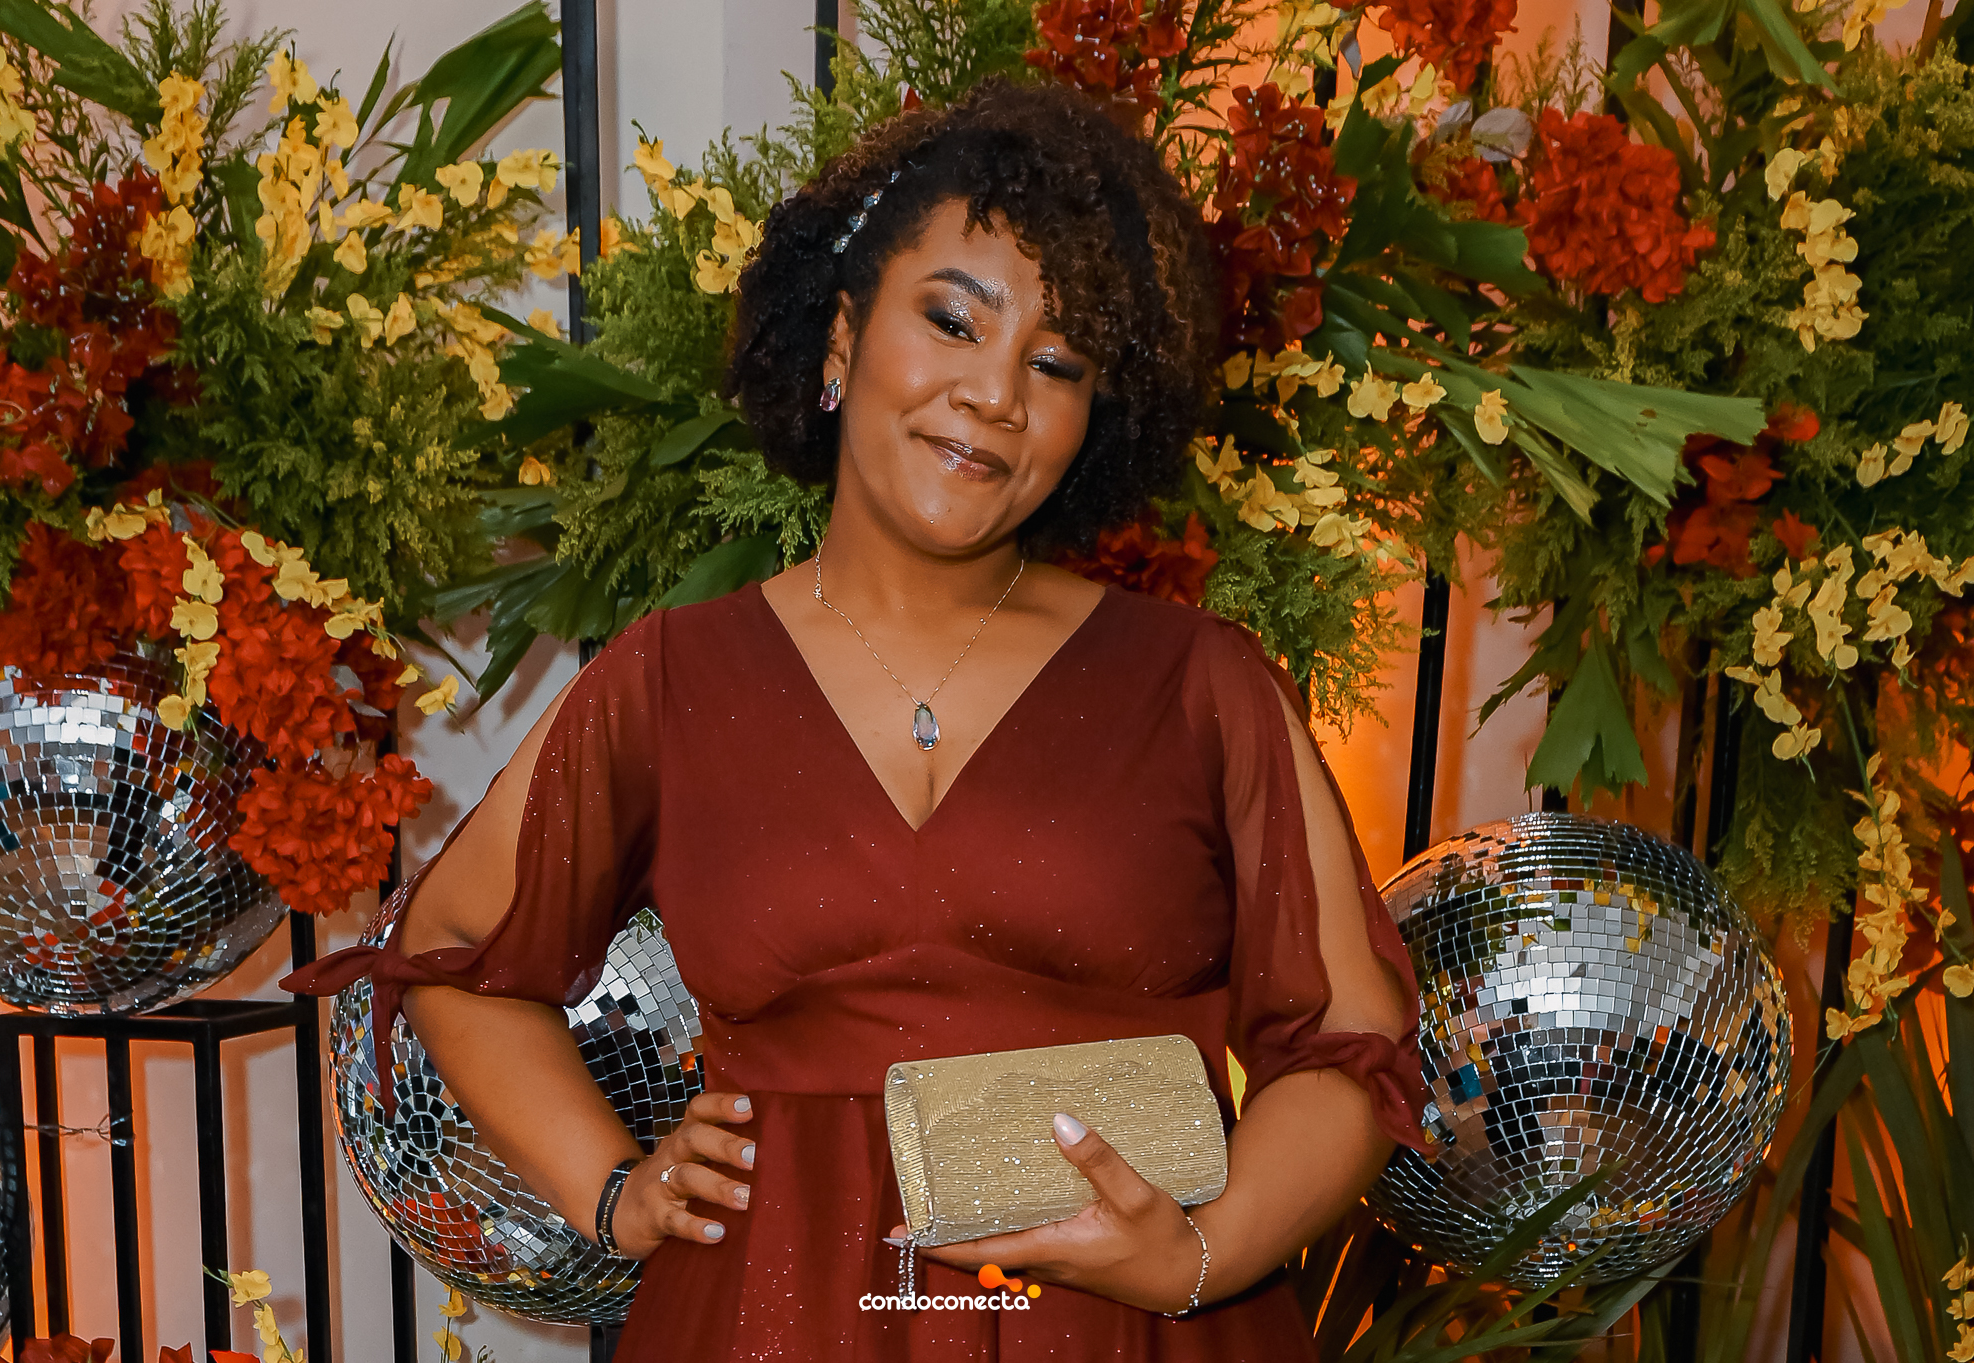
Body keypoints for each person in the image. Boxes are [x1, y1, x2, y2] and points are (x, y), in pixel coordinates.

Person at [287, 77, 1427, 1360]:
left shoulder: (1202, 686)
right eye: (953, 320)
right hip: (757, 1321)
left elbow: (1350, 1048)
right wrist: (613, 1192)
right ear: (841, 338)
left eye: (1054, 364)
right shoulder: (672, 679)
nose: (994, 394)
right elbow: (452, 951)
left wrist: (1196, 1256)